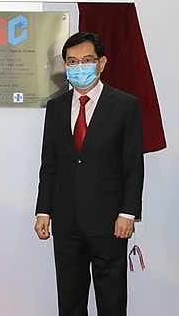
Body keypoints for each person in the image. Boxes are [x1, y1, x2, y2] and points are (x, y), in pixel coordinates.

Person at [34, 32, 144, 316]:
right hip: (66, 220)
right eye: (72, 61)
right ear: (65, 65)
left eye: (86, 60)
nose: (79, 66)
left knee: (112, 299)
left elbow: (132, 164)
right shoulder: (56, 107)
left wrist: (128, 213)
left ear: (102, 62)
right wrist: (43, 211)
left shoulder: (125, 105)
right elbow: (50, 164)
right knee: (70, 299)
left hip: (110, 221)